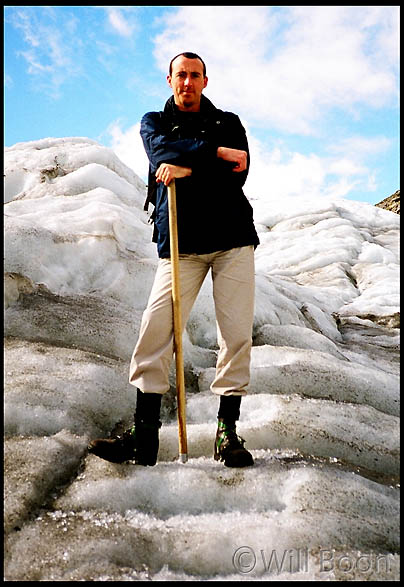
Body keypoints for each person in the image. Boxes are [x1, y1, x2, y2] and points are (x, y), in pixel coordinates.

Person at [89, 52, 259, 468]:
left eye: (194, 75)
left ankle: (227, 432)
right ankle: (142, 435)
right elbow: (160, 149)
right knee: (155, 331)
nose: (187, 82)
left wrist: (187, 168)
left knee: (235, 335)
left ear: (205, 80)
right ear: (169, 80)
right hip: (180, 244)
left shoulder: (229, 122)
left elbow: (238, 170)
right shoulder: (154, 121)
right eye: (180, 74)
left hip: (232, 240)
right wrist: (214, 155)